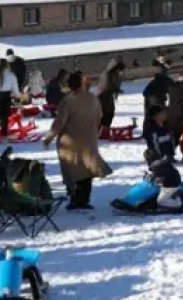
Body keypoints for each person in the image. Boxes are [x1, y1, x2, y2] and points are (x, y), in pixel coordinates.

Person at [43, 71, 112, 210]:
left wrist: (49, 138)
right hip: (89, 139)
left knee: (72, 170)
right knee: (87, 170)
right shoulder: (92, 98)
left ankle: (75, 199)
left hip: (70, 141)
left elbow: (59, 123)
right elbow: (99, 116)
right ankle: (84, 200)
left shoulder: (67, 101)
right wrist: (94, 129)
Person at [98, 58, 124, 130]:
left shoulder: (116, 74)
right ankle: (101, 129)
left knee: (110, 113)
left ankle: (105, 129)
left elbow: (116, 85)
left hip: (109, 96)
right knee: (105, 114)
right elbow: (105, 86)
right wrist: (115, 90)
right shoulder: (106, 74)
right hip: (103, 96)